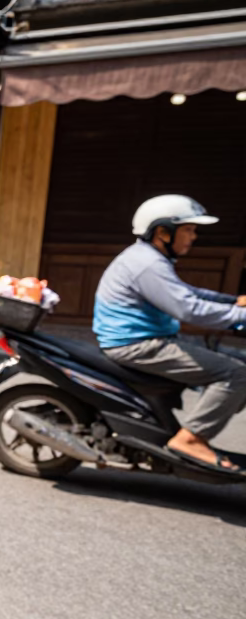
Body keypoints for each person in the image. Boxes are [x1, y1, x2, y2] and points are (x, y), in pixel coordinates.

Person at [94, 195, 246, 470]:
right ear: (163, 231)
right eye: (188, 229)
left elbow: (186, 292)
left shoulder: (150, 258)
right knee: (236, 373)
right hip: (137, 345)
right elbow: (188, 309)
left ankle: (208, 413)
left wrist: (232, 302)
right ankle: (190, 439)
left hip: (151, 338)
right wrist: (240, 317)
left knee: (239, 363)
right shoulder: (147, 264)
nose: (193, 236)